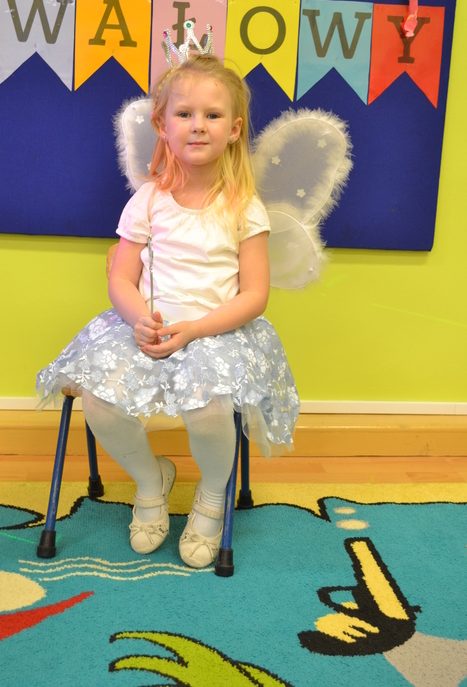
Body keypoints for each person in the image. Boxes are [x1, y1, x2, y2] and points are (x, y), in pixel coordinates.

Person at [37, 51, 300, 569]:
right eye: (184, 113)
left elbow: (255, 295)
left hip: (217, 331)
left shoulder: (244, 206)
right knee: (98, 401)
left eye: (212, 115)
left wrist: (196, 329)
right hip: (148, 327)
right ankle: (150, 482)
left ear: (234, 130)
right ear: (162, 124)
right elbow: (121, 276)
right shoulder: (148, 200)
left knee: (209, 409)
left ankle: (212, 496)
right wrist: (139, 319)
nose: (198, 125)